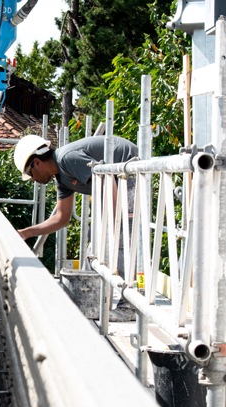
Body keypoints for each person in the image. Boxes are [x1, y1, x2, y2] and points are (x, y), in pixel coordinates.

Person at [13, 134, 139, 321]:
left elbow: (105, 178)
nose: (33, 179)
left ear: (37, 162)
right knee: (97, 239)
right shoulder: (61, 178)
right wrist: (25, 233)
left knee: (119, 239)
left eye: (30, 174)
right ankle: (91, 298)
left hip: (129, 167)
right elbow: (61, 218)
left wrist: (113, 222)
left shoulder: (67, 158)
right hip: (116, 179)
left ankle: (130, 306)